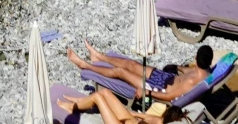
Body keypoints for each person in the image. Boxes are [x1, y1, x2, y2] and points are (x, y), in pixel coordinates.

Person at [69, 42, 215, 102]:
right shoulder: (205, 71)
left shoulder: (192, 82)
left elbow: (169, 96)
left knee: (121, 71)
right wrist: (177, 67)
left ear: (196, 58)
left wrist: (147, 93)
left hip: (157, 88)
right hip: (165, 77)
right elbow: (186, 70)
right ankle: (99, 57)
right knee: (131, 64)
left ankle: (86, 65)